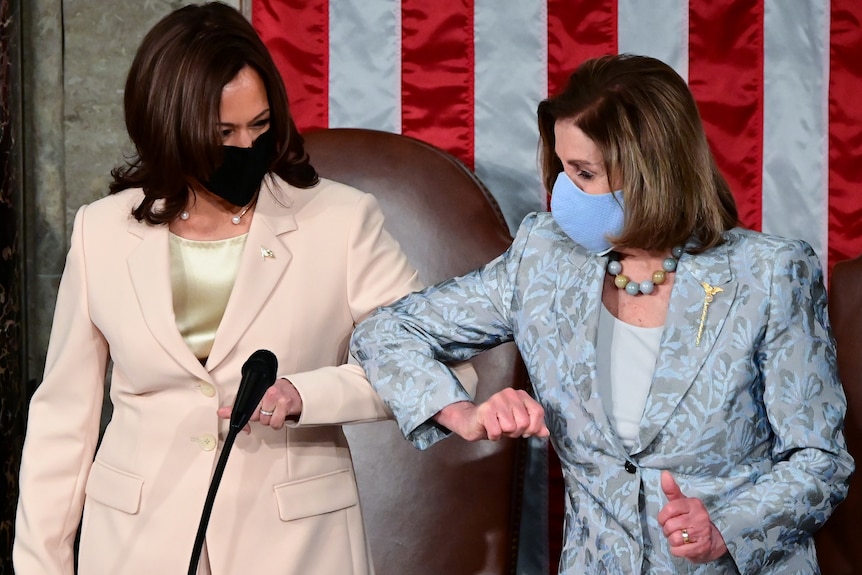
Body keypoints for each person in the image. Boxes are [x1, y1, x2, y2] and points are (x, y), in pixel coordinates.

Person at [351, 53, 853, 574]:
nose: (562, 190)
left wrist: (728, 526)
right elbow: (387, 331)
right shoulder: (543, 258)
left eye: (584, 173)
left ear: (652, 173)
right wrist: (461, 412)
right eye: (563, 168)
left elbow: (821, 461)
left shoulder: (769, 272)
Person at [14, 3, 422, 574]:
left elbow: (438, 369)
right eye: (222, 133)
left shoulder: (343, 221)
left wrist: (309, 394)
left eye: (259, 126)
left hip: (294, 549)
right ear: (167, 127)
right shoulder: (101, 230)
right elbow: (63, 420)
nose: (245, 147)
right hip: (135, 547)